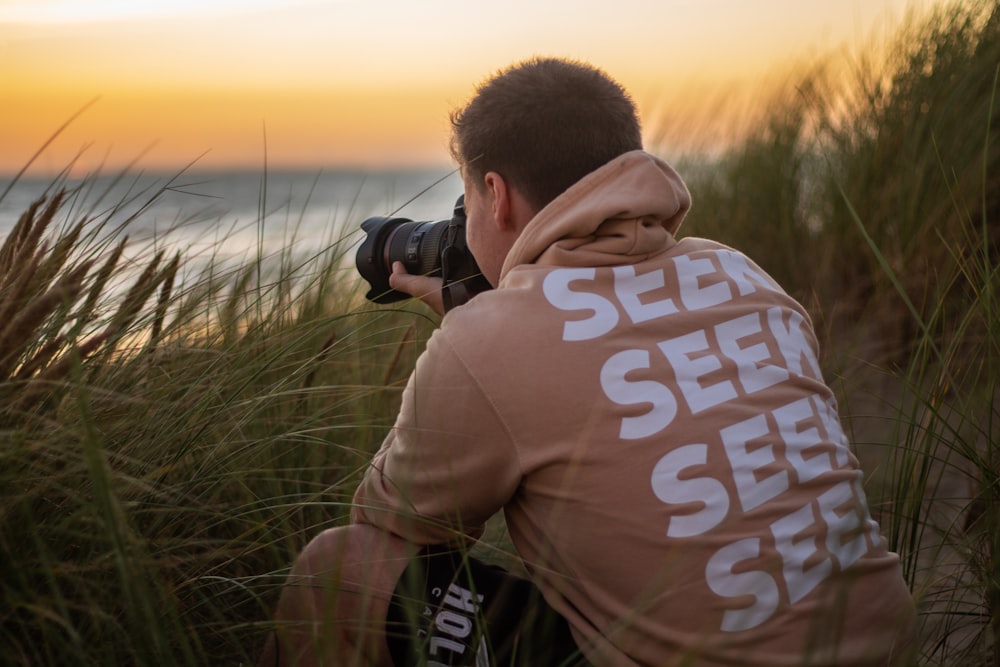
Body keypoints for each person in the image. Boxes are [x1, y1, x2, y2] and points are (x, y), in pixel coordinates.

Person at [260, 56, 917, 667]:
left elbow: (399, 530)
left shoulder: (487, 341)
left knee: (335, 569)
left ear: (497, 195)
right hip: (887, 645)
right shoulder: (742, 273)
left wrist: (474, 345)